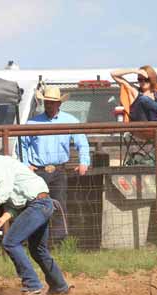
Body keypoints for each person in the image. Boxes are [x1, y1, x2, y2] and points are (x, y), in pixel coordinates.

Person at [0, 138, 71, 295]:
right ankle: (60, 286)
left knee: (10, 242)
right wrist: (5, 217)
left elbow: (2, 194)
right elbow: (15, 199)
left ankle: (33, 286)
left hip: (37, 205)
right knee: (38, 250)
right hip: (42, 203)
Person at [18, 86, 90, 241]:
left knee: (59, 204)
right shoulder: (32, 123)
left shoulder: (70, 121)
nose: (49, 105)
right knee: (37, 205)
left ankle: (58, 240)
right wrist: (26, 164)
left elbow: (82, 143)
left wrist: (84, 162)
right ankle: (36, 238)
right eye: (47, 102)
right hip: (38, 171)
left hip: (59, 170)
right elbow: (21, 145)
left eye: (52, 102)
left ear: (59, 103)